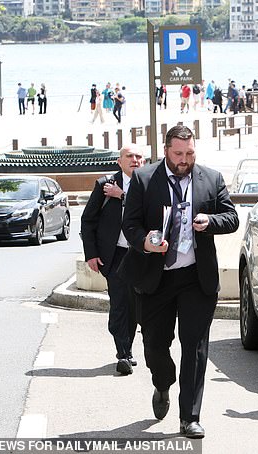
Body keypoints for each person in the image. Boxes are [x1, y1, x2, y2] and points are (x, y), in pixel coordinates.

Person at [120, 125, 239, 438]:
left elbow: (232, 218)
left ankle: (190, 417)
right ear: (165, 150)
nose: (185, 159)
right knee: (155, 346)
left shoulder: (211, 179)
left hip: (196, 279)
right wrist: (145, 241)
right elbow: (129, 223)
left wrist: (209, 221)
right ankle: (162, 383)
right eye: (178, 154)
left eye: (190, 153)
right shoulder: (145, 179)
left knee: (195, 348)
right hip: (156, 278)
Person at [81, 145, 145, 375]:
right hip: (116, 254)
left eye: (139, 157)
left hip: (141, 254)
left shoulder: (148, 184)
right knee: (119, 303)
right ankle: (123, 354)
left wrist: (123, 196)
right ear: (119, 161)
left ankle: (128, 347)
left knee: (137, 305)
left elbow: (150, 211)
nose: (135, 160)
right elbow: (88, 220)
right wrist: (91, 254)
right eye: (129, 156)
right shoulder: (104, 185)